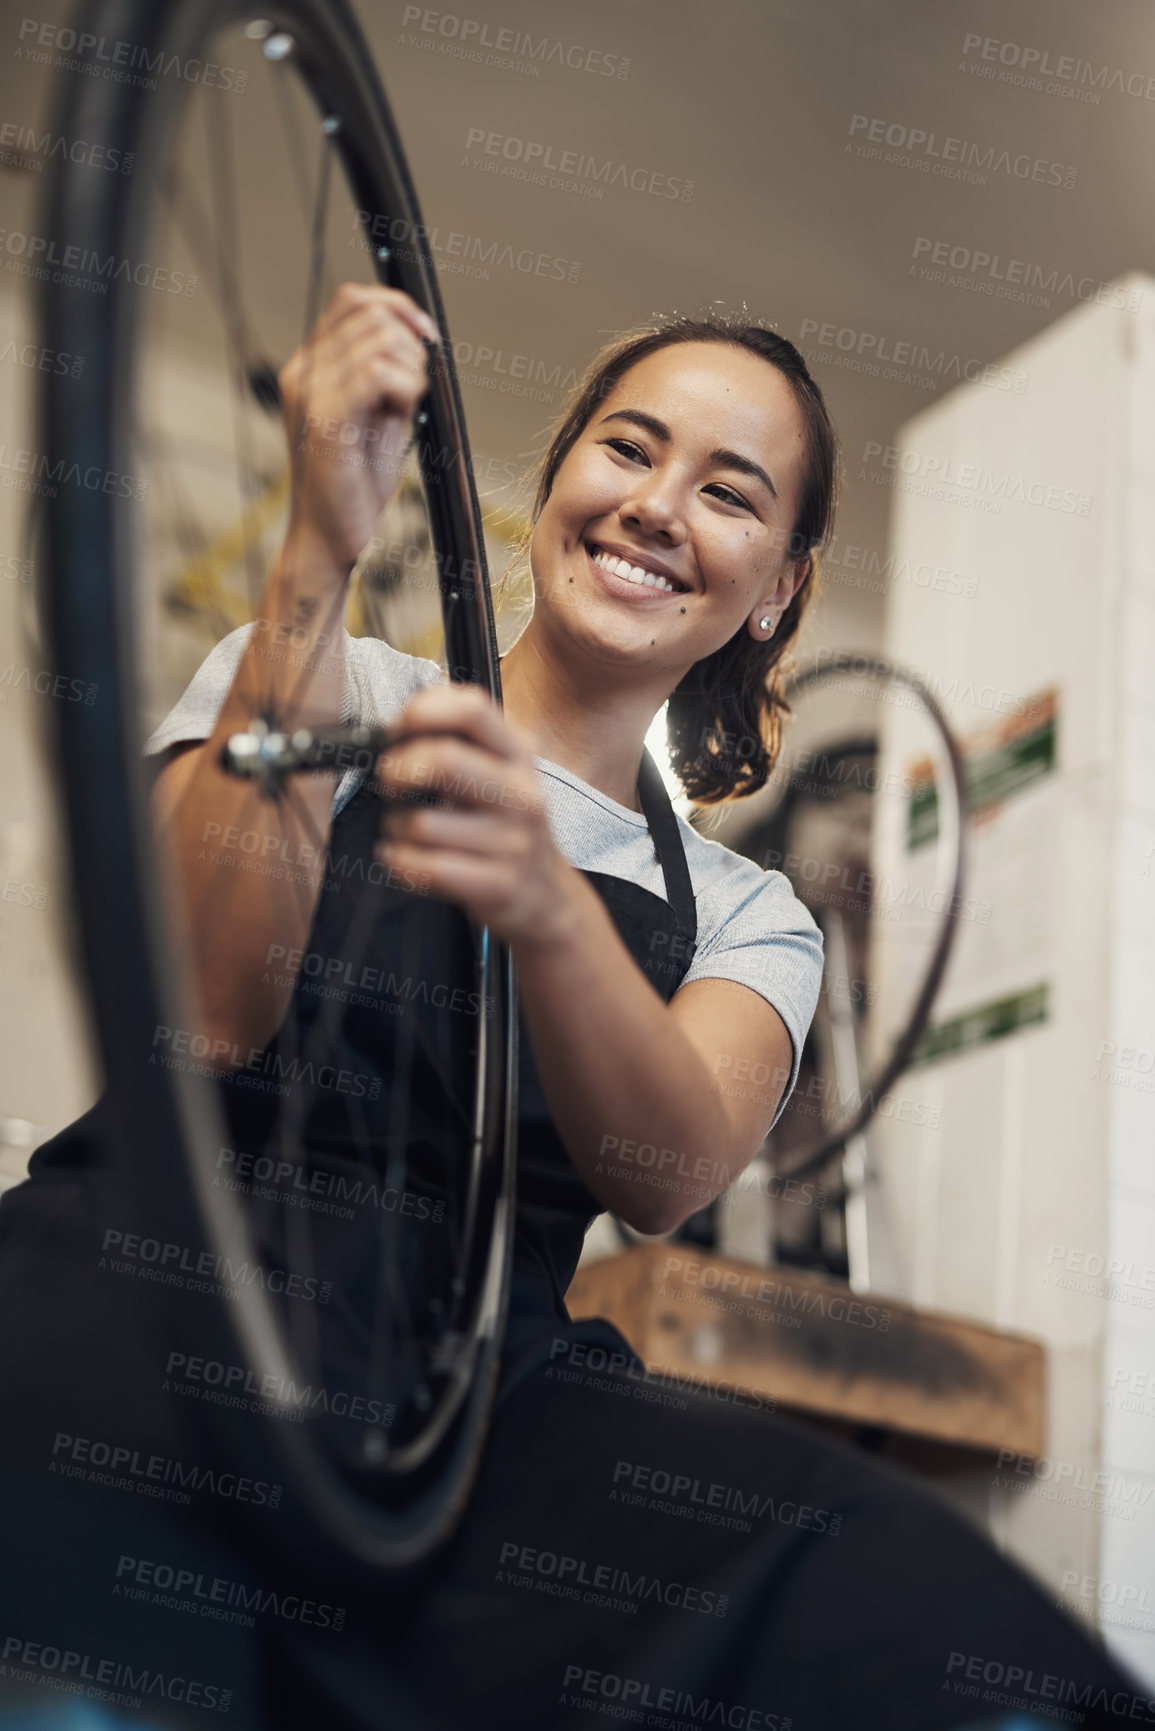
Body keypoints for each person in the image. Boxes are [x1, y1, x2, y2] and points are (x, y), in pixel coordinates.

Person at [0, 285, 1145, 1731]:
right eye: (628, 448)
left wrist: (548, 908)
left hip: (481, 1393)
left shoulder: (746, 913)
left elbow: (661, 1178)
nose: (659, 506)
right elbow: (208, 1018)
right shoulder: (311, 673)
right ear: (556, 487)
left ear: (780, 585)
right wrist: (316, 547)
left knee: (933, 1630)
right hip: (144, 1275)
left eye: (728, 492)